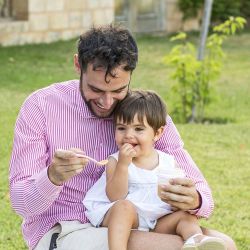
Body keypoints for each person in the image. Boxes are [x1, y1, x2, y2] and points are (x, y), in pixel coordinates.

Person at [9, 24, 236, 250]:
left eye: (118, 91)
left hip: (144, 225)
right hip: (67, 229)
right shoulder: (41, 107)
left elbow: (202, 192)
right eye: (96, 90)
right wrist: (52, 177)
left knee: (225, 245)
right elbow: (22, 203)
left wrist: (195, 199)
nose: (107, 103)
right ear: (78, 65)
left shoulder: (145, 115)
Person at [83, 90, 226, 250]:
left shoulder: (168, 161)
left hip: (157, 221)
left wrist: (176, 201)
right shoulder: (115, 161)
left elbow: (176, 195)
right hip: (126, 218)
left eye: (138, 129)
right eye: (121, 128)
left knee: (185, 216)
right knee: (124, 207)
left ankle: (195, 240)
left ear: (157, 133)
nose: (129, 135)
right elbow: (115, 196)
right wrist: (123, 165)